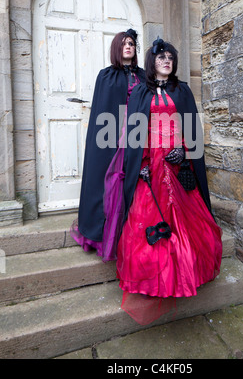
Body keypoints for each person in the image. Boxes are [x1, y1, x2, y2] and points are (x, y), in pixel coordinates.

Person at [116, 37, 222, 325]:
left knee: (187, 219)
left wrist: (185, 151)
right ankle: (156, 279)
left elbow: (192, 128)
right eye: (161, 57)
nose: (166, 61)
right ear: (152, 62)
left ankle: (186, 271)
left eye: (170, 58)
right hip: (152, 163)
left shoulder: (182, 90)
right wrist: (141, 164)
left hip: (177, 164)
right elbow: (135, 134)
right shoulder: (139, 92)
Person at [71, 29, 145, 262]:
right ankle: (107, 235)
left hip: (137, 137)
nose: (128, 47)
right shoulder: (106, 76)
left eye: (132, 43)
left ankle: (134, 234)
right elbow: (102, 113)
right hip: (111, 138)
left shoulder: (144, 76)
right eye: (123, 44)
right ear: (116, 48)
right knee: (111, 184)